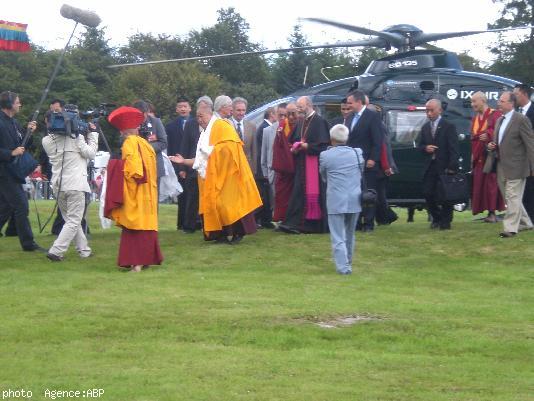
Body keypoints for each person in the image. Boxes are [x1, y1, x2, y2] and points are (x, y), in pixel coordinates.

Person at [171, 96, 262, 243]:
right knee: (215, 205)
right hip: (213, 177)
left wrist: (212, 151)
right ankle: (220, 235)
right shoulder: (205, 133)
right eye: (197, 117)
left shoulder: (222, 125)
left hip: (228, 175)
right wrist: (184, 161)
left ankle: (238, 233)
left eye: (201, 116)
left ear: (210, 114)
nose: (199, 120)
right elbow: (201, 159)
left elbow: (230, 148)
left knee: (229, 205)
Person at [106, 106, 163, 272]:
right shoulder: (145, 144)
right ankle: (145, 261)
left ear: (123, 131)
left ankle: (136, 264)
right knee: (146, 226)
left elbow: (135, 170)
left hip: (136, 192)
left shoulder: (129, 143)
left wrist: (116, 167)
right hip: (149, 192)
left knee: (134, 227)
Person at [42, 122, 98, 261]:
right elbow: (90, 153)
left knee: (72, 221)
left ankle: (84, 251)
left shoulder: (47, 140)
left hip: (59, 185)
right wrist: (92, 134)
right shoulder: (76, 138)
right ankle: (56, 251)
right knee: (73, 221)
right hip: (75, 185)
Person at [484, 91, 534, 238]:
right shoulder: (499, 120)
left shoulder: (521, 120)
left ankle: (510, 228)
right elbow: (498, 142)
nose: (499, 103)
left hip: (517, 166)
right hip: (501, 165)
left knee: (512, 196)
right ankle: (526, 223)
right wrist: (491, 146)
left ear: (511, 103)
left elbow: (530, 144)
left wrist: (532, 165)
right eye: (499, 100)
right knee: (510, 197)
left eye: (502, 101)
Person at [0, 91, 44, 252]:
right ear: (9, 104)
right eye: (18, 102)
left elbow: (24, 144)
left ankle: (28, 243)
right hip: (4, 172)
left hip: (13, 171)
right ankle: (28, 244)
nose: (20, 104)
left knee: (5, 207)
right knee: (21, 206)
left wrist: (29, 132)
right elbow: (13, 150)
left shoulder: (14, 122)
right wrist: (10, 153)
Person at [278, 96, 330, 234]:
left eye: (301, 107)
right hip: (301, 164)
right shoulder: (301, 121)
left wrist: (307, 146)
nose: (299, 109)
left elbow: (324, 145)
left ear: (309, 105)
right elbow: (293, 140)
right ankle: (294, 223)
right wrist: (294, 148)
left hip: (314, 165)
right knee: (298, 194)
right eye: (298, 107)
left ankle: (313, 225)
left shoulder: (320, 121)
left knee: (312, 195)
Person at [320, 124, 363, 275]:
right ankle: (348, 263)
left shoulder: (325, 155)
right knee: (350, 234)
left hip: (335, 198)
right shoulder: (357, 153)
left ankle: (343, 267)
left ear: (331, 139)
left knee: (338, 235)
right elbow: (361, 171)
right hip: (354, 197)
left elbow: (323, 175)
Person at [418, 99, 459, 230]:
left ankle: (446, 221)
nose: (429, 113)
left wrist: (452, 167)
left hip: (444, 166)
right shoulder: (425, 128)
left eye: (431, 110)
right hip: (430, 166)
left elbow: (454, 149)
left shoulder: (448, 126)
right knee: (427, 193)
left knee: (446, 195)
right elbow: (420, 145)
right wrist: (425, 148)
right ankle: (436, 217)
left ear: (439, 110)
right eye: (427, 110)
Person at [345, 90, 383, 232]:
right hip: (352, 163)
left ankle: (368, 223)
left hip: (368, 162)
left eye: (350, 102)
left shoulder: (372, 117)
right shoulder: (349, 118)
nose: (348, 105)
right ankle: (357, 222)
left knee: (368, 194)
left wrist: (373, 158)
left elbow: (377, 140)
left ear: (359, 102)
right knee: (355, 194)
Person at [178, 96, 212, 233]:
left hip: (208, 165)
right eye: (200, 108)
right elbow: (185, 145)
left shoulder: (214, 125)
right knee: (192, 196)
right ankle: (189, 225)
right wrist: (182, 167)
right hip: (193, 165)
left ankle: (206, 224)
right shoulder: (191, 124)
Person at [469, 91, 504, 222]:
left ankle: (492, 213)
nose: (472, 104)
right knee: (480, 185)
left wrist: (489, 135)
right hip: (479, 157)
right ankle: (487, 212)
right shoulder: (475, 118)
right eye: (472, 102)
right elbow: (473, 137)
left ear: (483, 101)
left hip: (491, 156)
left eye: (474, 101)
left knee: (491, 185)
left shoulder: (495, 114)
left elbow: (500, 131)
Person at [165, 96, 193, 230]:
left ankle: (194, 223)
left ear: (190, 108)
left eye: (185, 106)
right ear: (176, 109)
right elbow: (170, 148)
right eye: (180, 107)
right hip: (177, 165)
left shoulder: (196, 124)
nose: (183, 109)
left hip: (193, 164)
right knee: (182, 195)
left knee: (193, 195)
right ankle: (181, 223)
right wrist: (177, 167)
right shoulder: (170, 126)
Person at [261, 103, 287, 219]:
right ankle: (277, 219)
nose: (282, 118)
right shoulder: (267, 131)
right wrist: (266, 173)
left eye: (285, 115)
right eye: (280, 115)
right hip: (273, 172)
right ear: (275, 115)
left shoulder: (293, 128)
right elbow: (264, 154)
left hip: (287, 171)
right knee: (275, 199)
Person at [272, 103, 297, 223]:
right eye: (288, 114)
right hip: (285, 168)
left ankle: (293, 219)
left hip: (298, 166)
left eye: (293, 114)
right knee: (282, 195)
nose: (291, 117)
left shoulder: (302, 124)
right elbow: (278, 147)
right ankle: (281, 218)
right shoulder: (282, 126)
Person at [253, 105, 278, 228]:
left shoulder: (262, 126)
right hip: (263, 167)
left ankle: (263, 219)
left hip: (262, 166)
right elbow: (265, 150)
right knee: (264, 195)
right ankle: (262, 220)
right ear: (272, 114)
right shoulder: (266, 128)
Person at [133, 100, 168, 186]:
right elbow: (122, 141)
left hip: (154, 166)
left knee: (154, 198)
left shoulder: (156, 122)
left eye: (142, 114)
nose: (141, 117)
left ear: (147, 112)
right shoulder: (131, 123)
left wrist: (145, 147)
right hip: (136, 167)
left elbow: (163, 142)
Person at [513, 84, 534, 222]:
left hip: (531, 156)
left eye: (516, 94)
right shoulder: (515, 112)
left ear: (524, 94)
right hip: (518, 158)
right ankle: (524, 218)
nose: (513, 97)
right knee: (523, 189)